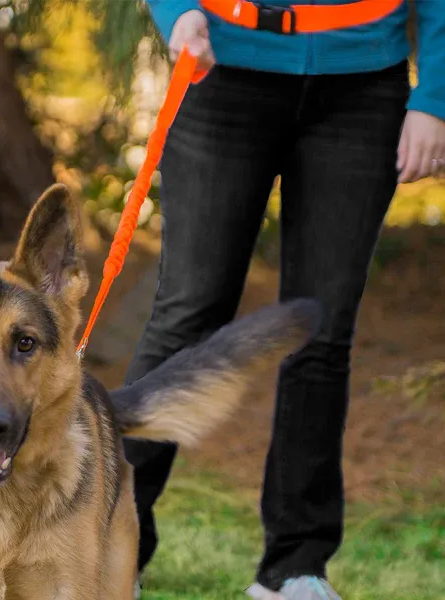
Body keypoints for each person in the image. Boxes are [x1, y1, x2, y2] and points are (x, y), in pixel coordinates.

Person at [122, 0, 445, 598]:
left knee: (321, 335)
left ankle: (295, 568)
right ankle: (108, 543)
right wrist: (177, 13)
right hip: (220, 68)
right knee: (188, 314)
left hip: (362, 88)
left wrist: (435, 98)